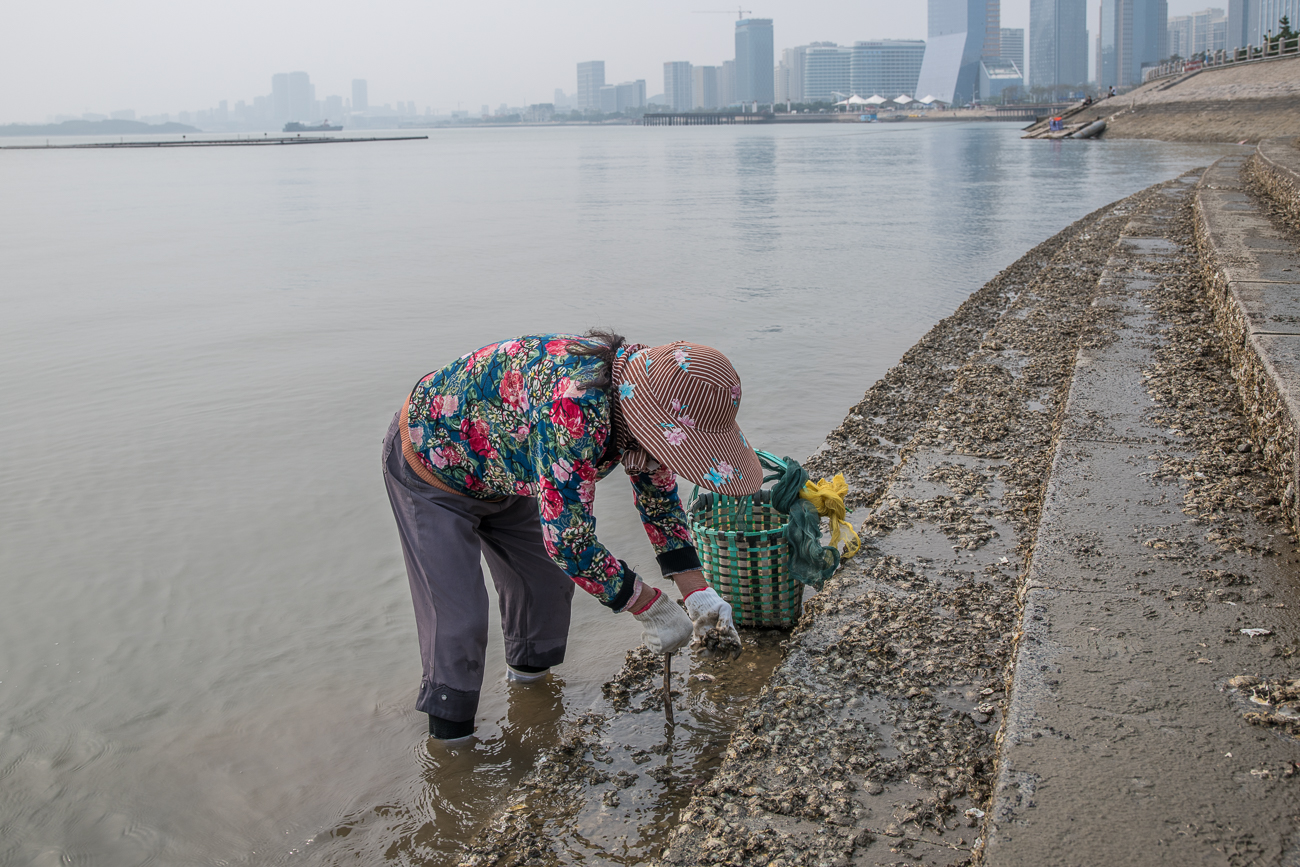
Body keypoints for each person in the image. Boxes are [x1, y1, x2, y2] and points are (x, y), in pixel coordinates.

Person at [381, 331, 760, 740]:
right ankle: (453, 749)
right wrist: (648, 606)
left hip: (510, 467)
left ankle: (528, 706)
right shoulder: (573, 406)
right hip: (432, 465)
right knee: (457, 621)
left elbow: (660, 502)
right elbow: (569, 541)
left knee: (544, 589)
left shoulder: (651, 396)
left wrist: (698, 594)